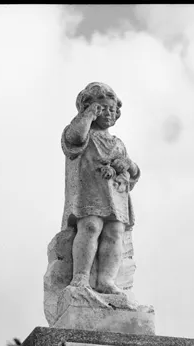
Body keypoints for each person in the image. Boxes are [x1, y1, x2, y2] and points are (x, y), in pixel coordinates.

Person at [61, 82, 140, 296]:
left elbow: (133, 172)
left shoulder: (118, 143)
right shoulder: (81, 132)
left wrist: (127, 165)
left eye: (112, 109)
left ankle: (106, 280)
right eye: (102, 108)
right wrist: (87, 116)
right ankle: (81, 277)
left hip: (116, 195)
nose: (108, 113)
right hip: (90, 192)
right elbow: (74, 139)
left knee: (114, 233)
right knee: (90, 227)